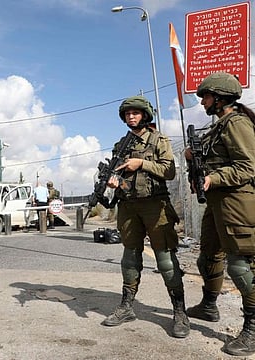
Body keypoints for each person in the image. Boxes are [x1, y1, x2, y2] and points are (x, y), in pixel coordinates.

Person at [101, 96, 190, 338]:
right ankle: (126, 307)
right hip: (129, 206)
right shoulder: (120, 144)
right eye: (127, 113)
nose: (131, 116)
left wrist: (142, 163)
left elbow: (169, 171)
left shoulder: (158, 139)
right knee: (129, 258)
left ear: (145, 115)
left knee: (165, 260)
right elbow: (118, 177)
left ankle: (180, 312)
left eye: (135, 112)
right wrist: (113, 182)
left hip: (155, 206)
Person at [184, 72, 255, 356]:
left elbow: (248, 166)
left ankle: (252, 329)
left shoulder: (237, 123)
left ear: (220, 98)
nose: (202, 102)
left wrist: (213, 178)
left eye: (205, 96)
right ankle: (209, 305)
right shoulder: (218, 126)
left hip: (237, 203)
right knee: (209, 257)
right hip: (216, 205)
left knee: (239, 265)